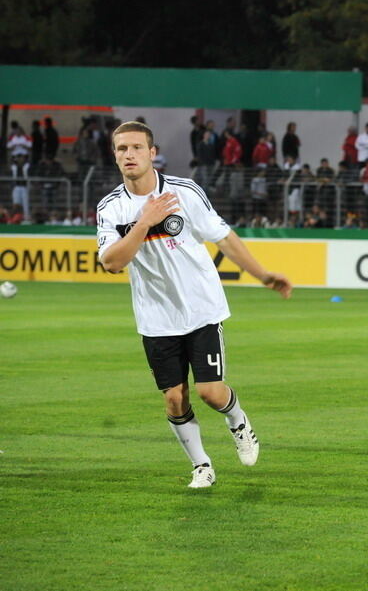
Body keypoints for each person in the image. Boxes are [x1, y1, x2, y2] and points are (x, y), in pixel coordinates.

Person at [96, 121, 292, 489]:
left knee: (210, 392)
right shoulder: (111, 207)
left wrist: (263, 275)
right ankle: (202, 465)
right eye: (122, 149)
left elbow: (225, 238)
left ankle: (238, 421)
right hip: (156, 318)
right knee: (174, 399)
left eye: (137, 147)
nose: (129, 155)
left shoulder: (185, 192)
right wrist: (144, 222)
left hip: (201, 309)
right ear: (115, 155)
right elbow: (111, 262)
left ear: (152, 153)